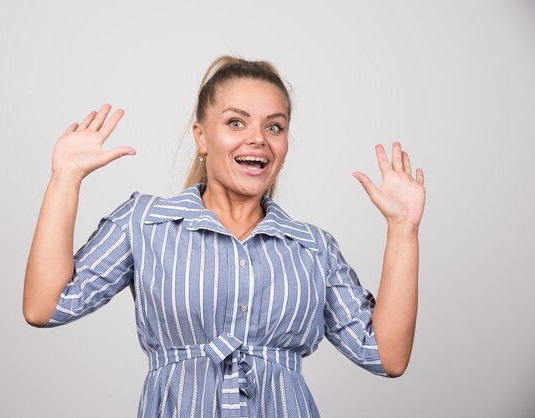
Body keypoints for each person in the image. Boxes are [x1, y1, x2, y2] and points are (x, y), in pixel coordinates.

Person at [23, 56, 426, 418]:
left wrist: (403, 229)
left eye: (275, 126)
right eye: (236, 122)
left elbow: (386, 356)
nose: (258, 138)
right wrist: (65, 179)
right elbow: (46, 306)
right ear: (201, 137)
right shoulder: (145, 223)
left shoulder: (313, 248)